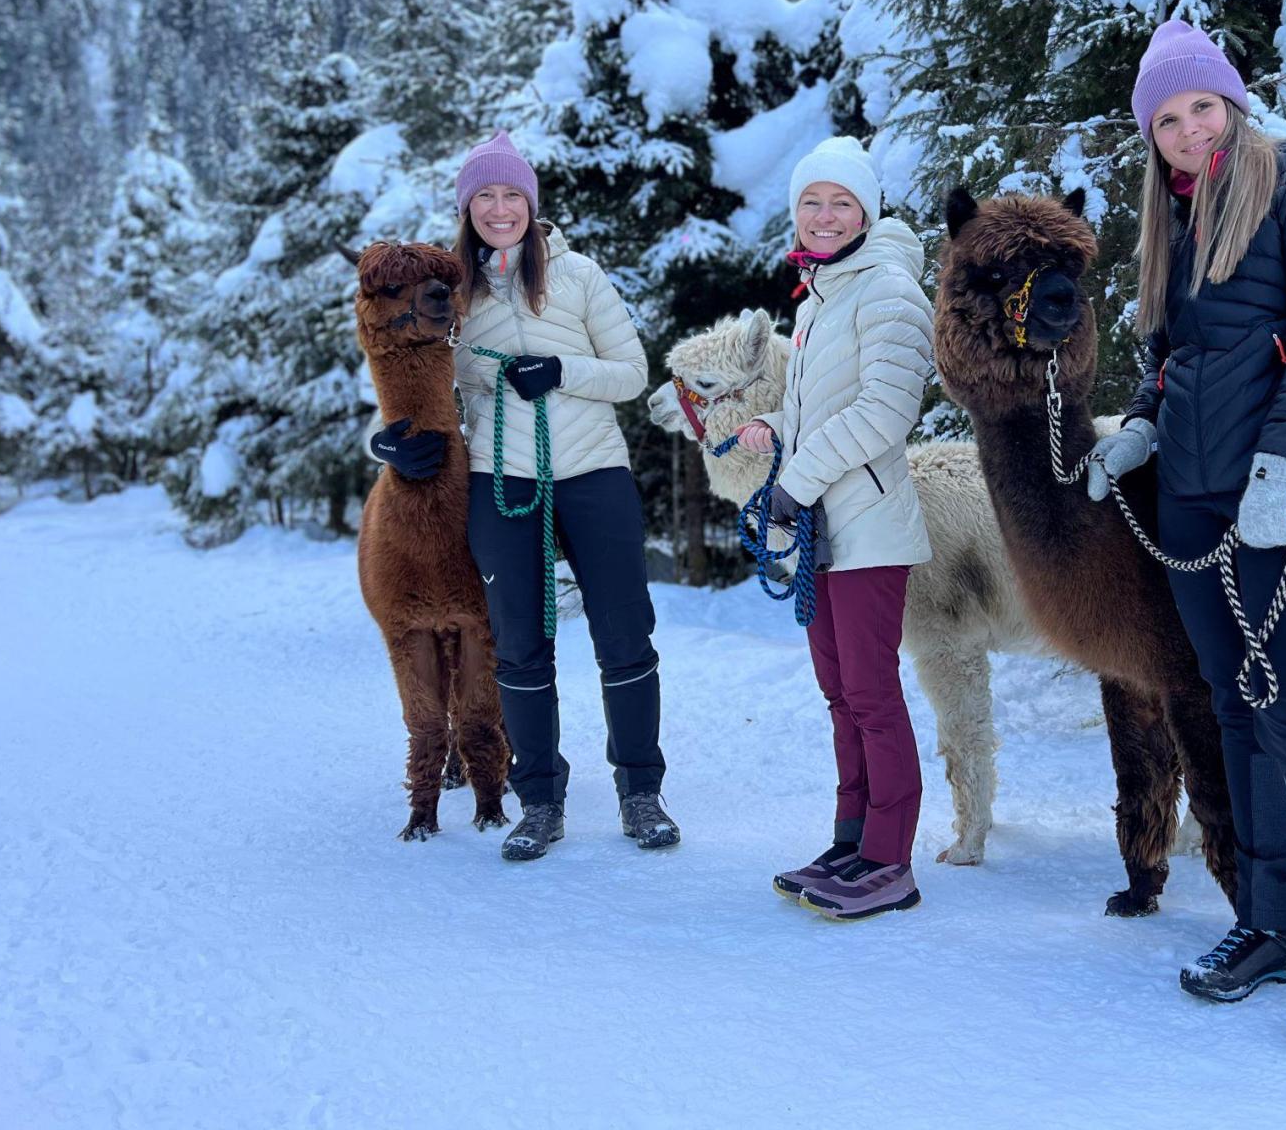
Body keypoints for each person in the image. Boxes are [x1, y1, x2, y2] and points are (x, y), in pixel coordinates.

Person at [1084, 22, 1286, 1046]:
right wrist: (1138, 427)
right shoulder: (1171, 217)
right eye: (1164, 119)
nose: (1184, 131)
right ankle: (1270, 924)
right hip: (1195, 495)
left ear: (1233, 100)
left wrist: (1282, 459)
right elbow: (1175, 354)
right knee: (1233, 708)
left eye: (1198, 107)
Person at [367, 131, 678, 861]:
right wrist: (384, 443)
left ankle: (641, 791)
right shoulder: (452, 293)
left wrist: (561, 370)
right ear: (467, 207)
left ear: (530, 202)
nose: (499, 208)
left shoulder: (577, 276)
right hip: (501, 482)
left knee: (624, 634)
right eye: (485, 196)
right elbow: (407, 371)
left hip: (593, 471)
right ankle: (538, 797)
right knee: (517, 646)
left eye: (511, 194)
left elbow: (631, 373)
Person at [736, 137, 935, 922]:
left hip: (870, 528)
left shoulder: (887, 290)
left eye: (840, 203)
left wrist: (798, 479)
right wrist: (769, 424)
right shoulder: (821, 294)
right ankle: (852, 837)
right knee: (840, 693)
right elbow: (812, 406)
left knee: (872, 694)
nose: (824, 216)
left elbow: (884, 413)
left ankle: (891, 858)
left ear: (866, 212)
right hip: (823, 525)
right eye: (812, 203)